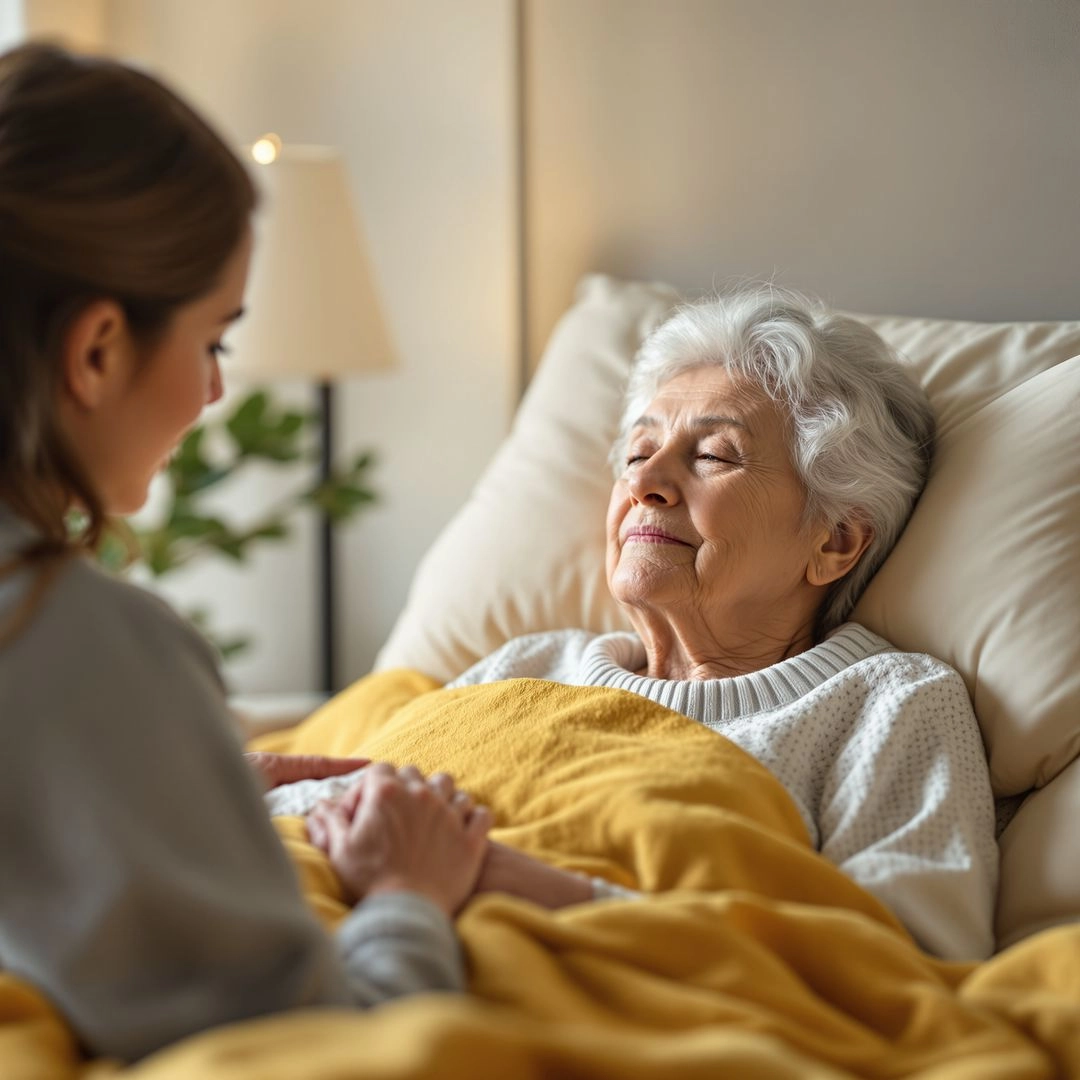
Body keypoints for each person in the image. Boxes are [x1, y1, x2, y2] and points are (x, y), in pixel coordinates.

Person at [0, 43, 490, 1064]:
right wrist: (407, 894)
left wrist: (179, 769)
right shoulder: (78, 638)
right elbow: (319, 1048)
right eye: (215, 340)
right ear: (96, 350)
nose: (216, 392)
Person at [291, 286, 998, 962]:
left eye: (714, 455)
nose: (642, 482)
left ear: (835, 541)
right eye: (637, 452)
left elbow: (904, 964)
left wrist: (491, 875)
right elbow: (365, 825)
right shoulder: (527, 667)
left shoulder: (886, 702)